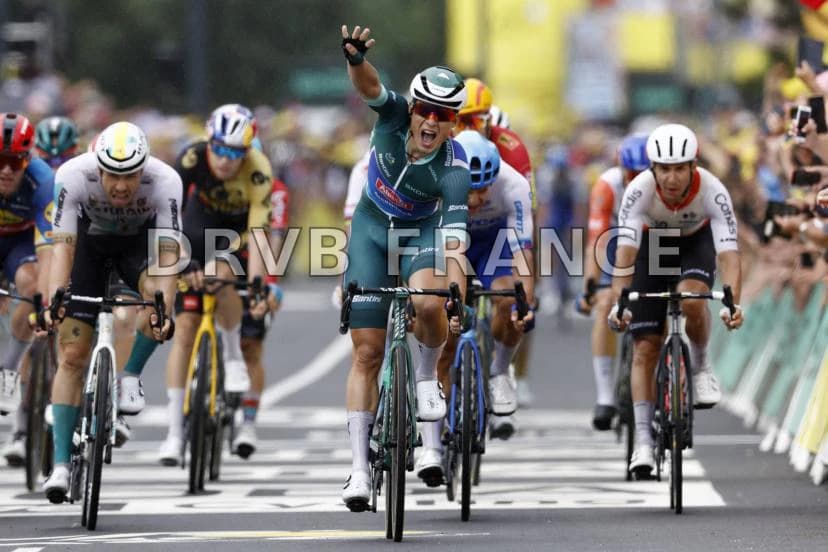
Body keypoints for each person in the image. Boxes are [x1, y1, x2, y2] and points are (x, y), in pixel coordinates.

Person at [339, 25, 471, 512]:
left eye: (444, 115)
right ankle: (357, 469)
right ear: (413, 109)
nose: (432, 122)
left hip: (422, 233)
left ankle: (425, 375)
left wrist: (455, 295)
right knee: (367, 353)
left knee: (428, 301)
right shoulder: (393, 115)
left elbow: (455, 246)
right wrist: (355, 60)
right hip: (372, 229)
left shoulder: (454, 170)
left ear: (454, 123)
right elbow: (370, 86)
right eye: (427, 111)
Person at [41, 121, 180, 502]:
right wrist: (54, 298)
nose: (121, 186)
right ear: (96, 167)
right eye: (112, 176)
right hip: (89, 247)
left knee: (161, 299)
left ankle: (131, 373)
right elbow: (63, 248)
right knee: (71, 355)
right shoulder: (72, 174)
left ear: (144, 169)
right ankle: (61, 466)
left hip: (138, 249)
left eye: (130, 176)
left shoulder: (165, 181)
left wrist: (162, 308)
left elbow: (169, 256)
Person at [607, 123, 744, 477]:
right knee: (644, 348)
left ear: (693, 166)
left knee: (693, 301)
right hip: (655, 246)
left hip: (695, 245)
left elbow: (729, 255)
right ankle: (643, 443)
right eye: (664, 169)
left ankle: (700, 366)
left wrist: (733, 302)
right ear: (652, 169)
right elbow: (625, 252)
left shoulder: (713, 190)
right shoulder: (638, 191)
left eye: (679, 168)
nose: (671, 178)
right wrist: (618, 302)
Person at [415, 130, 536, 485]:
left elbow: (522, 252)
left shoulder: (513, 186)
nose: (477, 198)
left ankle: (499, 370)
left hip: (493, 242)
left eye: (484, 188)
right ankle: (433, 446)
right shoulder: (437, 180)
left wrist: (523, 300)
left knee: (508, 299)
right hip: (447, 240)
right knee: (442, 339)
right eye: (469, 189)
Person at [158, 104, 272, 466]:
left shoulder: (259, 171)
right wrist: (182, 263)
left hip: (236, 235)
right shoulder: (191, 158)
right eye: (219, 149)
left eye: (235, 153)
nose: (225, 160)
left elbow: (258, 235)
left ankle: (232, 353)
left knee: (222, 273)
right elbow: (169, 218)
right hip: (197, 226)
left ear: (248, 151)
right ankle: (174, 433)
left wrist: (256, 285)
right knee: (186, 328)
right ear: (209, 141)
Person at [454, 78, 537, 408]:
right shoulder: (438, 148)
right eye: (459, 119)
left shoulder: (511, 152)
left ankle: (501, 371)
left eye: (475, 119)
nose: (465, 127)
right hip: (452, 234)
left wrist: (526, 292)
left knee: (510, 298)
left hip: (497, 234)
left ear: (488, 119)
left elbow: (526, 221)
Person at [575, 134, 649, 430]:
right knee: (606, 303)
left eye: (642, 175)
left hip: (655, 242)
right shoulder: (607, 185)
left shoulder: (664, 185)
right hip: (614, 241)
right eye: (630, 174)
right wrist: (589, 287)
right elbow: (596, 240)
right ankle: (605, 396)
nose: (635, 181)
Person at [0, 113, 54, 465]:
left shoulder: (43, 180)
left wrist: (46, 298)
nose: (6, 171)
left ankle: (8, 371)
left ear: (28, 159)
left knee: (32, 284)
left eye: (15, 162)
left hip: (21, 243)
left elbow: (50, 246)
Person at [232, 175, 288, 458]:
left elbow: (275, 236)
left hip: (255, 263)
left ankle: (248, 424)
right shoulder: (206, 177)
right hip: (216, 257)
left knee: (250, 347)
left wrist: (271, 282)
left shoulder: (273, 188)